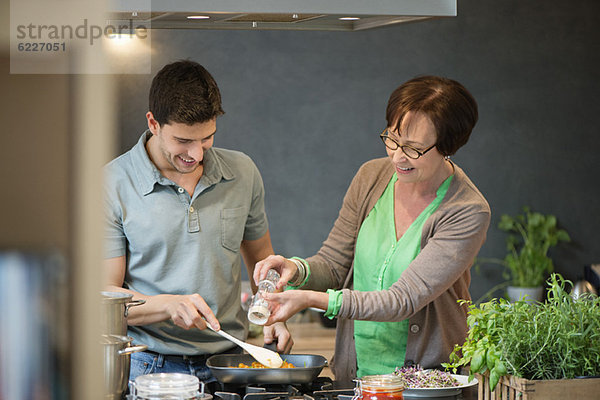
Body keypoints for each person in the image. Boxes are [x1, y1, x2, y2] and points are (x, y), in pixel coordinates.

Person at [254, 75, 491, 381]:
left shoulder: (466, 210)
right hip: (357, 377)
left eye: (414, 148)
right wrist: (295, 269)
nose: (397, 156)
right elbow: (334, 265)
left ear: (448, 147)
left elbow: (401, 300)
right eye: (392, 139)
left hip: (426, 383)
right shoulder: (371, 177)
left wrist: (310, 300)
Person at [103, 60, 292, 384]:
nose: (197, 154)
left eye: (207, 138)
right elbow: (103, 298)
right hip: (149, 366)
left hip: (233, 362)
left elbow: (264, 263)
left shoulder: (242, 172)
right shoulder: (113, 183)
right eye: (183, 141)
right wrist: (167, 306)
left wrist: (271, 314)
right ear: (154, 123)